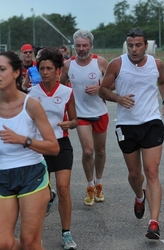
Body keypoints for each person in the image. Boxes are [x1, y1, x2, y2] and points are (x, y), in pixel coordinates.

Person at [0, 50, 59, 250]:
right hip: (1, 176)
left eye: (2, 69)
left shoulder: (30, 105)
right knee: (1, 245)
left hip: (31, 172)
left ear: (16, 73)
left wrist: (24, 140)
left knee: (30, 241)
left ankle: (33, 249)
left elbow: (53, 147)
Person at [99, 27, 164, 240]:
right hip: (127, 125)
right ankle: (139, 196)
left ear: (146, 46)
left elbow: (163, 81)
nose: (134, 49)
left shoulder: (156, 64)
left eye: (138, 45)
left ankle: (154, 222)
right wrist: (118, 98)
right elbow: (102, 89)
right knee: (135, 174)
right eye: (130, 45)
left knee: (152, 171)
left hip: (151, 122)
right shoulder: (117, 64)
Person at [29, 47, 78, 250]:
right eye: (42, 68)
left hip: (61, 144)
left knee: (64, 188)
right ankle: (47, 199)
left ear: (58, 70)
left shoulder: (67, 92)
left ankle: (66, 233)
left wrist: (70, 124)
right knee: (42, 194)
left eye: (49, 68)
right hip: (39, 147)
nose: (45, 72)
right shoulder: (32, 93)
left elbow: (75, 120)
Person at [60, 30, 110, 207]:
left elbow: (113, 84)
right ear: (74, 46)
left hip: (100, 112)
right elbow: (60, 86)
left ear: (91, 46)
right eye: (78, 45)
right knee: (88, 151)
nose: (81, 49)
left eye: (84, 45)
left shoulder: (100, 62)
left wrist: (100, 89)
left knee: (101, 151)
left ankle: (99, 183)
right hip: (80, 115)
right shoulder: (68, 65)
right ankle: (89, 186)